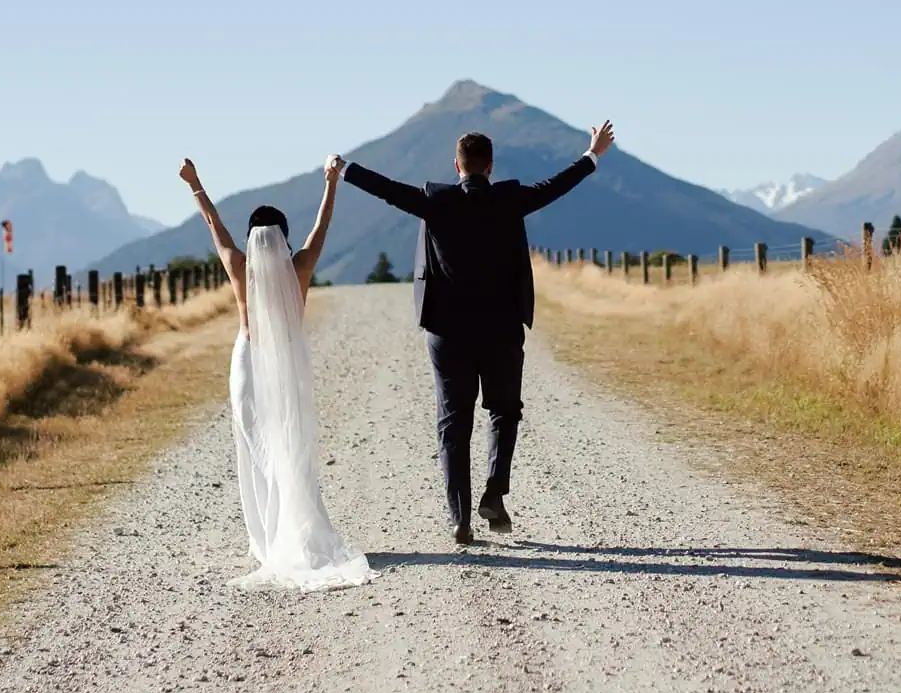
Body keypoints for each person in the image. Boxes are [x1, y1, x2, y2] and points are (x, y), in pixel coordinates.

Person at [338, 120, 615, 545]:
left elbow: (388, 189)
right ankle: (494, 490)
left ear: (457, 166)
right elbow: (557, 185)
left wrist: (344, 169)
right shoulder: (511, 199)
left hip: (447, 332)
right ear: (490, 168)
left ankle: (460, 518)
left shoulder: (436, 201)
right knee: (504, 411)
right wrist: (591, 154)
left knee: (454, 423)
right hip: (502, 329)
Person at [180, 154, 373, 591]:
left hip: (249, 363)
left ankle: (266, 538)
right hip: (287, 365)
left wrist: (195, 183)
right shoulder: (300, 268)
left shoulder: (237, 267)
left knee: (255, 448)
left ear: (251, 239)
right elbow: (321, 229)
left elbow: (214, 225)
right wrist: (331, 184)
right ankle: (297, 531)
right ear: (283, 238)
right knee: (291, 445)